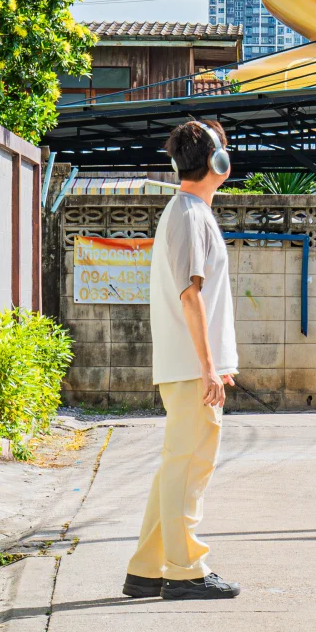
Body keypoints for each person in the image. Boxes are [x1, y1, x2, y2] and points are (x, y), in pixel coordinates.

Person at [123, 119, 240, 602]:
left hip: (192, 366)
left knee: (177, 466)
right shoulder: (190, 215)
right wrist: (209, 368)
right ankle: (186, 568)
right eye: (224, 149)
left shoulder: (189, 212)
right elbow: (190, 296)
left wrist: (215, 363)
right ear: (216, 161)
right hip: (193, 369)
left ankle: (147, 568)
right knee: (189, 469)